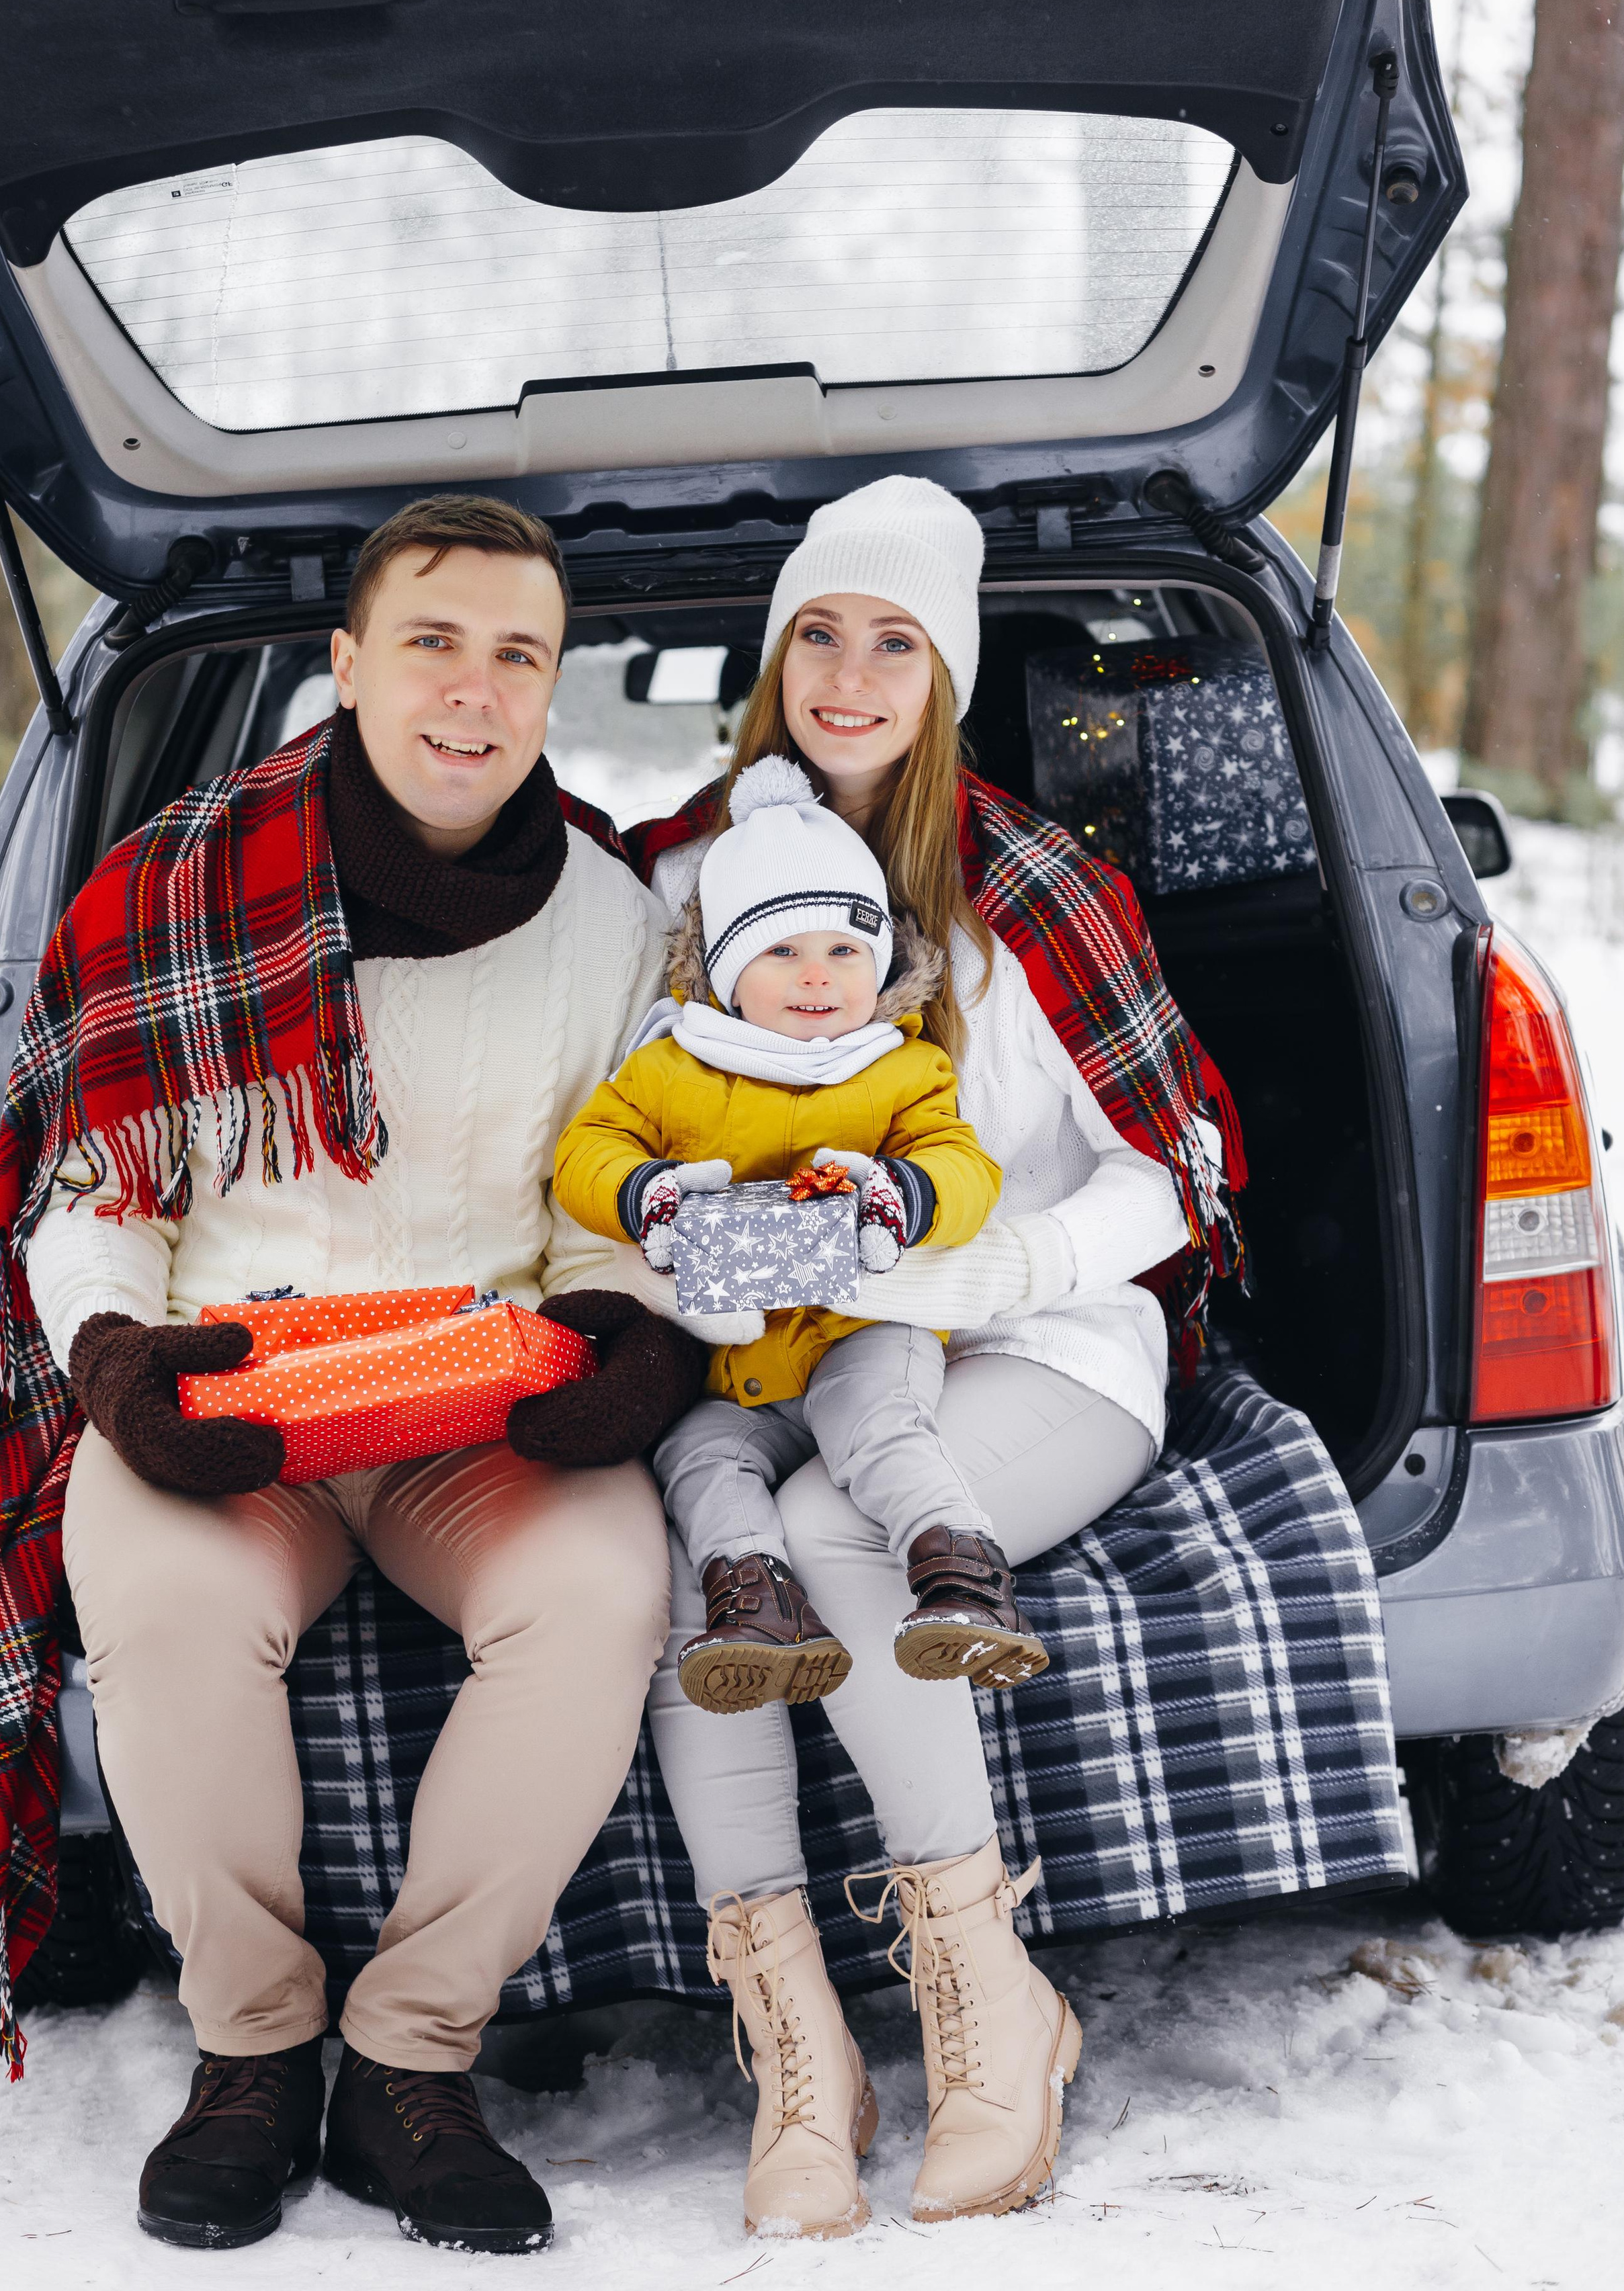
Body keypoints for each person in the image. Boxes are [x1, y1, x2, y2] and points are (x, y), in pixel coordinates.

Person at [0, 494, 708, 2258]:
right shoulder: (170, 885)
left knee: (600, 1596)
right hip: (231, 1388)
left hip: (476, 1398)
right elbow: (96, 1198)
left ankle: (410, 2060)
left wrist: (627, 1341)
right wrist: (116, 1363)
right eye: (433, 642)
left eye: (518, 654)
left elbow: (615, 1201)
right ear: (348, 664)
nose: (474, 690)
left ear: (552, 685)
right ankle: (254, 2050)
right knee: (163, 1608)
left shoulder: (611, 925)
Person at [627, 474, 1246, 2239]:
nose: (847, 675)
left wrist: (1002, 1265)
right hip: (777, 1345)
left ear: (948, 674)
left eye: (893, 641)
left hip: (1043, 1336)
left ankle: (990, 2000)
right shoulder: (676, 877)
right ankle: (800, 2053)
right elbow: (619, 1134)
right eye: (818, 633)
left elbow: (1179, 1167)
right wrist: (681, 1252)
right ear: (773, 658)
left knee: (835, 1533)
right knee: (701, 1554)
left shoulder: (1033, 889)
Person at [554, 751, 1048, 1722]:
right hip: (740, 1368)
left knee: (878, 1424)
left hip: (861, 1330)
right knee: (697, 1457)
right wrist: (649, 1195)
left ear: (881, 964)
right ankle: (759, 1600)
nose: (817, 975)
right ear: (727, 972)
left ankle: (960, 1571)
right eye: (780, 952)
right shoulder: (672, 1066)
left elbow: (965, 1168)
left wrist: (901, 1196)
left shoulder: (901, 1069)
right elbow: (587, 1153)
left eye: (843, 951)